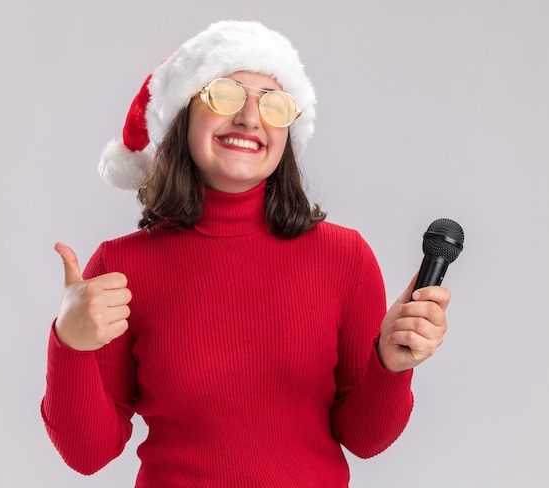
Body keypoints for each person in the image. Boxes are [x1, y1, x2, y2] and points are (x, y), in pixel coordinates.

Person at [41, 20, 450, 487]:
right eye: (226, 95)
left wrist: (390, 364)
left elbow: (363, 439)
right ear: (183, 116)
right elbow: (86, 454)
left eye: (272, 105)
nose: (250, 119)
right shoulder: (121, 269)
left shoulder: (345, 258)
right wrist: (69, 344)